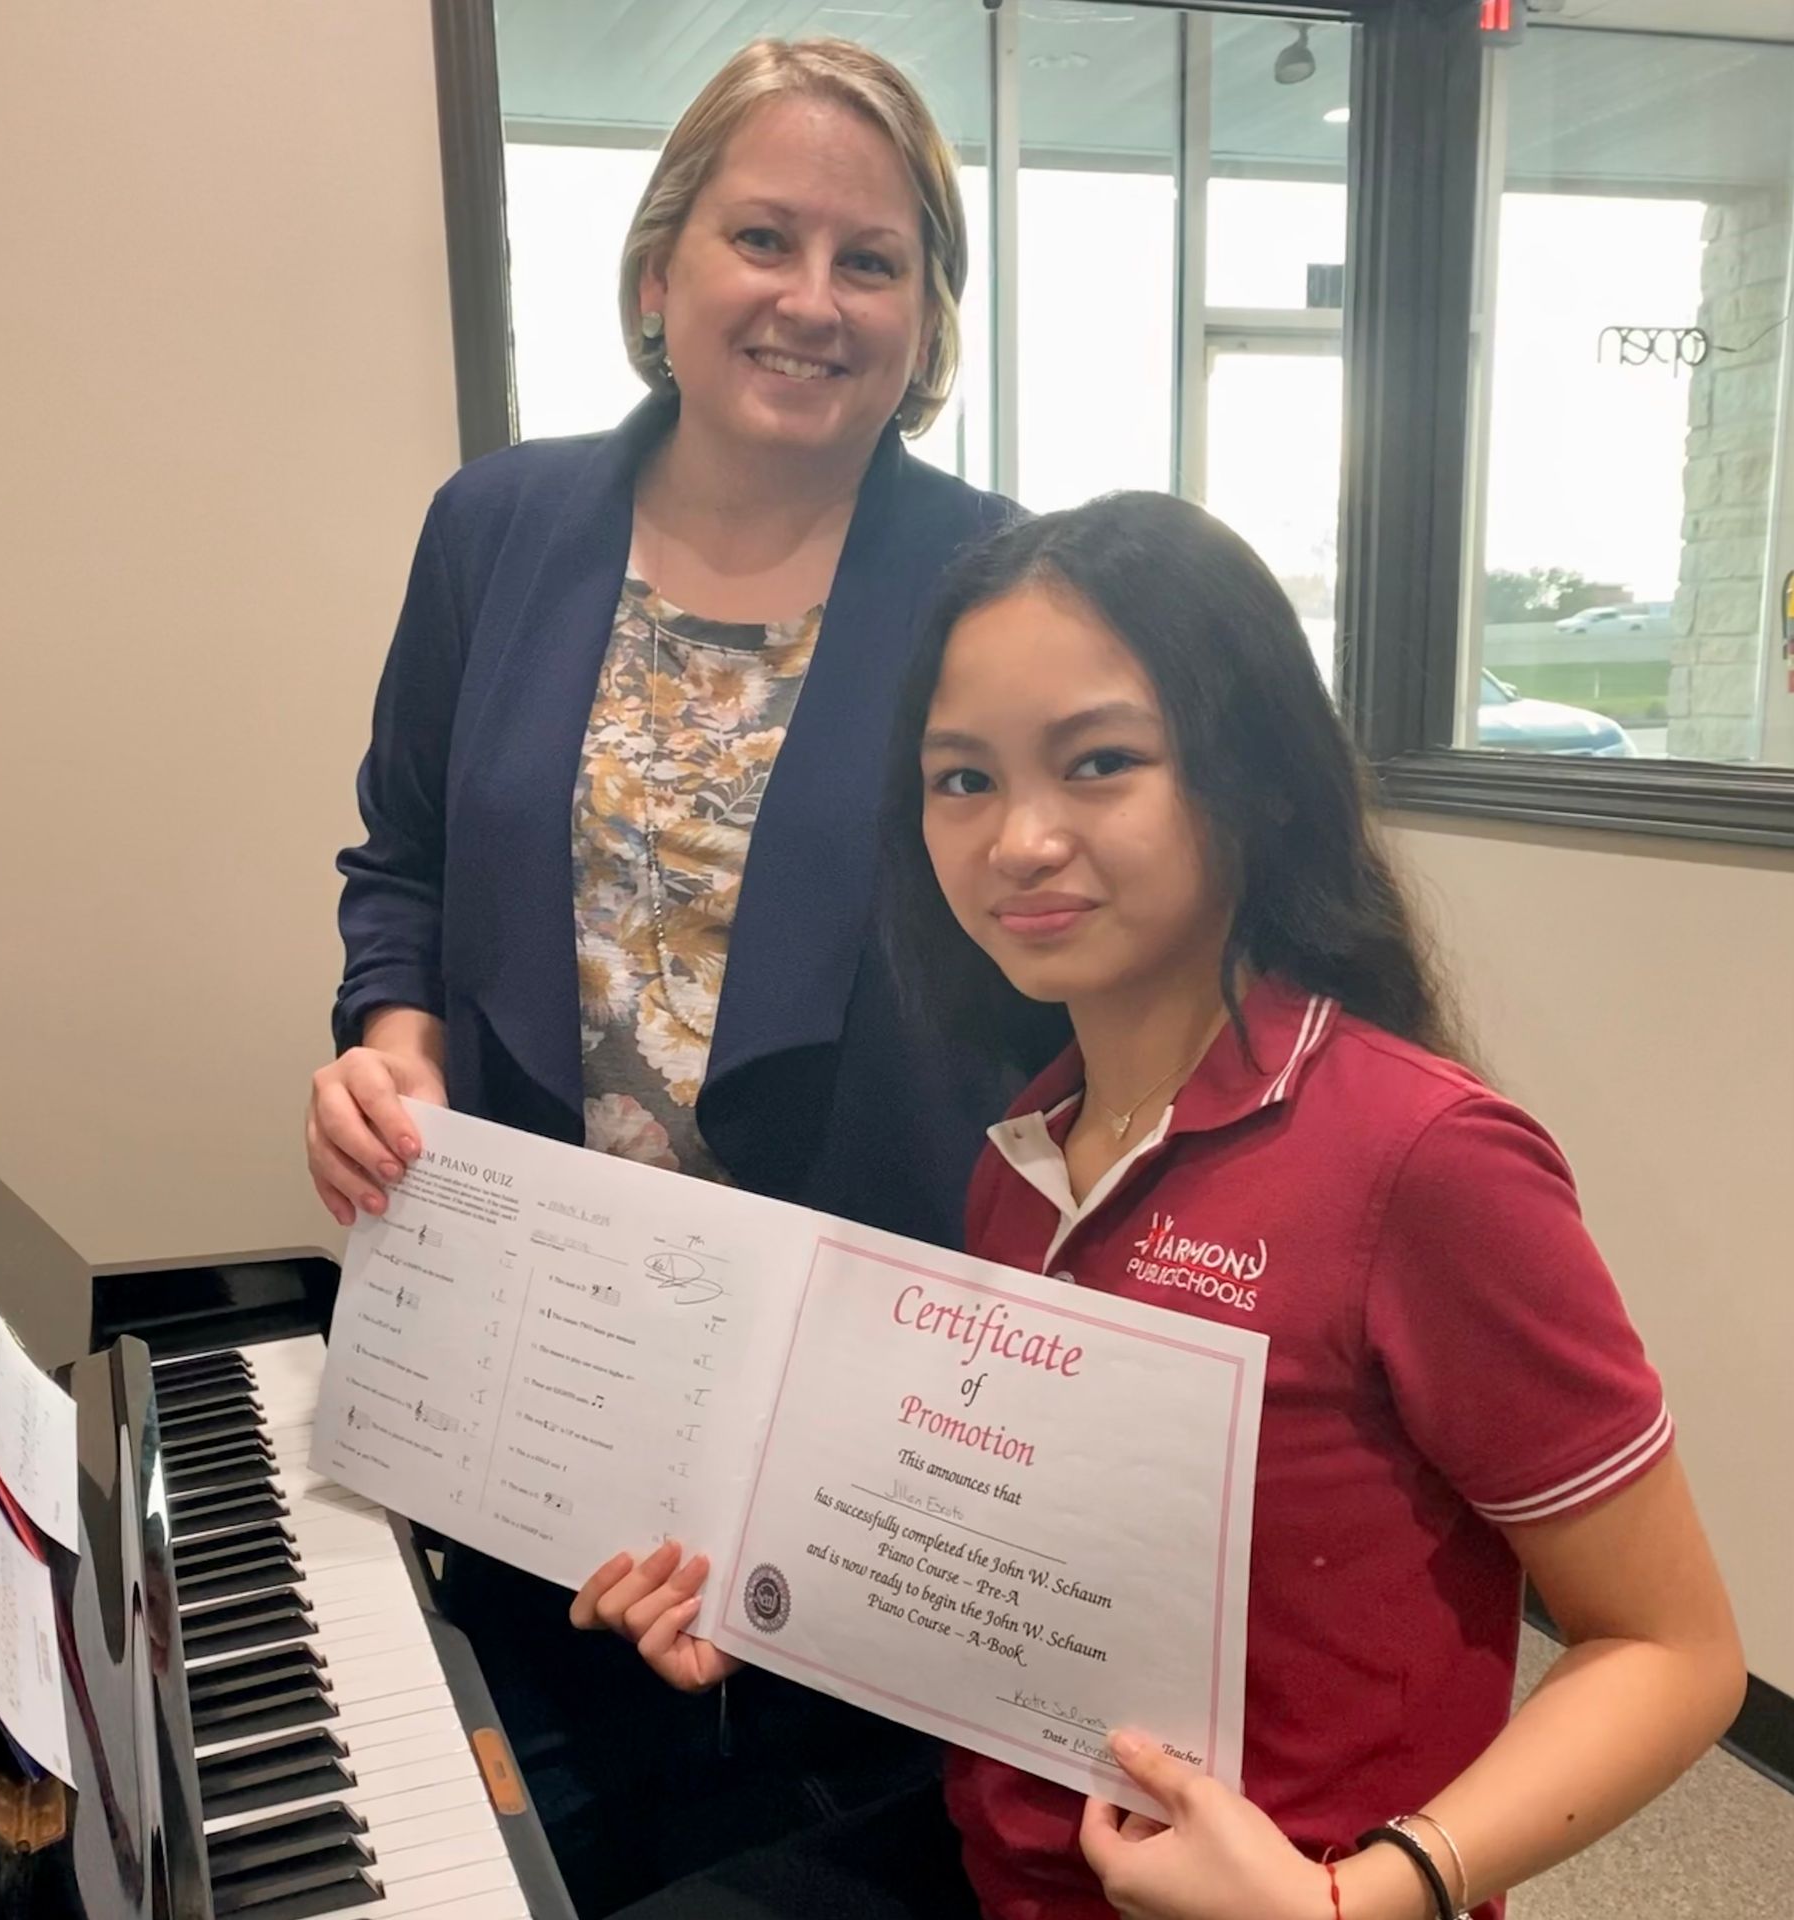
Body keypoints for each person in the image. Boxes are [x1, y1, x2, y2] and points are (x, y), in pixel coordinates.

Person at [588, 492, 1745, 1920]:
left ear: (1252, 777)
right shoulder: (1026, 1151)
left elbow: (1674, 1651)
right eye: (962, 780)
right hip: (1004, 1873)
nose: (1018, 839)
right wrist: (769, 1593)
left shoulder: (1426, 1159)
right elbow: (1030, 1594)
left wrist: (1364, 1900)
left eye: (1099, 764)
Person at [308, 36, 1026, 1917]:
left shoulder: (999, 584)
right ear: (658, 273)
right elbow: (404, 860)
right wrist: (391, 1053)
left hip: (852, 1372)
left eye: (873, 260)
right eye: (761, 237)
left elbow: (1075, 971)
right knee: (527, 1810)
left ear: (930, 309)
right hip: (531, 1352)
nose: (811, 299)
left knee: (793, 1837)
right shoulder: (497, 528)